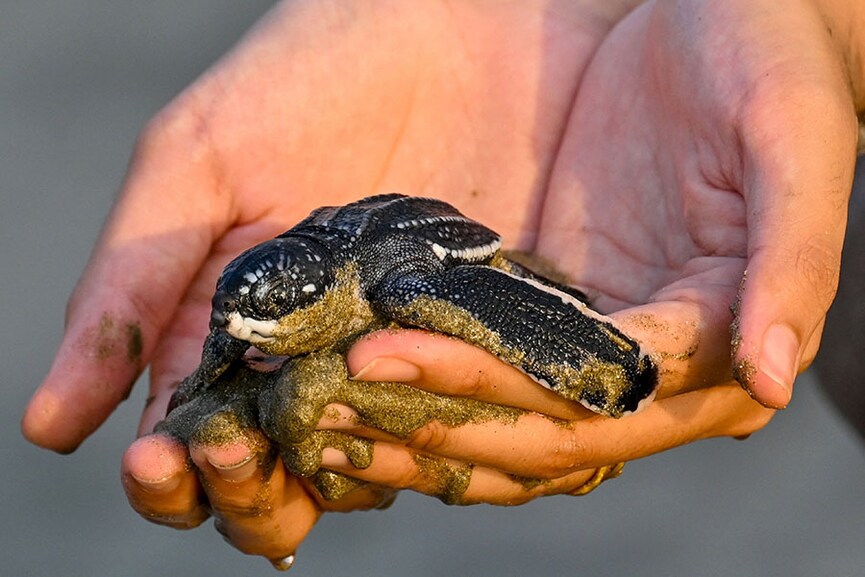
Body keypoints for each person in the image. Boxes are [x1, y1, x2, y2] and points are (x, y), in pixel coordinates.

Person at [20, 0, 864, 568]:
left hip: (449, 247)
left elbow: (436, 279)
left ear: (318, 298)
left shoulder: (390, 279)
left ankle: (583, 339)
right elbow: (241, 317)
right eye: (240, 319)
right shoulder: (261, 291)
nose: (245, 333)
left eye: (267, 319)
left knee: (439, 324)